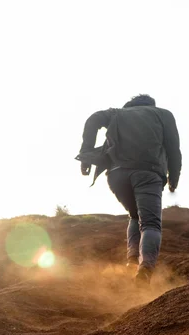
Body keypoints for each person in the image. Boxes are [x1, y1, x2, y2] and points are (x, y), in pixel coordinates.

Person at [75, 94, 182, 283]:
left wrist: (85, 153)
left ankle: (132, 261)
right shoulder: (162, 114)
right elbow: (174, 150)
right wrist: (173, 179)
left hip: (116, 175)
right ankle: (146, 270)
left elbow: (93, 119)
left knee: (135, 215)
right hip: (147, 174)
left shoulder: (116, 114)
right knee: (150, 224)